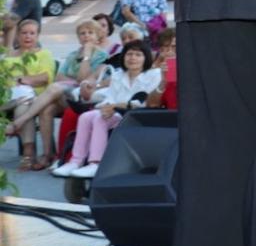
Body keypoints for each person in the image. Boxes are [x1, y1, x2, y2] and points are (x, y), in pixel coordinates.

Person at [4, 19, 108, 166]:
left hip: (86, 99)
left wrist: (87, 55)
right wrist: (75, 79)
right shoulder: (73, 55)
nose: (86, 36)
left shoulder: (101, 56)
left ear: (98, 36)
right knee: (46, 109)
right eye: (82, 33)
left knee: (53, 88)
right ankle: (49, 155)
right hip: (67, 95)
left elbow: (83, 79)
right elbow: (59, 76)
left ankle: (18, 122)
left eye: (90, 33)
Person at [54, 40, 163, 178]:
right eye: (129, 54)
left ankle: (96, 163)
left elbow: (143, 101)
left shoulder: (153, 75)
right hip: (115, 111)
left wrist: (114, 107)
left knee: (101, 119)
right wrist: (106, 107)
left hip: (136, 115)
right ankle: (76, 161)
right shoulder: (118, 75)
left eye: (138, 55)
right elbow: (110, 97)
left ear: (145, 58)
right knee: (85, 117)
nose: (133, 58)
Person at [0, 18, 56, 170]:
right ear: (18, 35)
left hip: (34, 98)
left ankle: (28, 152)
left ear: (37, 36)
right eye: (24, 33)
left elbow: (46, 77)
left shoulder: (44, 54)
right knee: (23, 101)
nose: (28, 36)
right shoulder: (9, 55)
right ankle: (28, 153)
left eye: (32, 33)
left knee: (24, 105)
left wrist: (23, 79)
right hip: (8, 98)